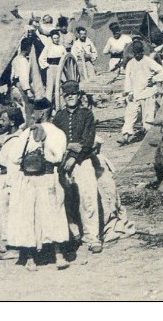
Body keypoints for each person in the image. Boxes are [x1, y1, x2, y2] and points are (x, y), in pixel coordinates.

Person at [1, 100, 71, 270]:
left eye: (35, 112)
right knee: (53, 216)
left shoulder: (27, 133)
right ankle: (58, 256)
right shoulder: (58, 133)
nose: (32, 115)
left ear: (41, 113)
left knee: (29, 217)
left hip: (30, 180)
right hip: (49, 178)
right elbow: (58, 158)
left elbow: (15, 157)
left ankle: (31, 259)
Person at [52, 80, 101, 255]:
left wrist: (74, 155)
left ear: (79, 96)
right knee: (66, 199)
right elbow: (56, 141)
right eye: (67, 95)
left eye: (73, 94)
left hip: (83, 161)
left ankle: (93, 237)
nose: (70, 97)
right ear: (64, 97)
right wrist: (67, 153)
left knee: (88, 198)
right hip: (63, 163)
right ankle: (73, 235)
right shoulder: (59, 117)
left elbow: (88, 141)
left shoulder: (87, 114)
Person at [0, 106, 25, 261]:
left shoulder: (17, 139)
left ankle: (15, 247)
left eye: (4, 120)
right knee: (2, 211)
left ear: (12, 122)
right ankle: (9, 241)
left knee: (10, 212)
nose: (1, 123)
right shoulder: (8, 137)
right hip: (3, 179)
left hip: (10, 178)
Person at [92, 140, 136, 244]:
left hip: (104, 183)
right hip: (99, 183)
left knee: (109, 203)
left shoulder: (100, 159)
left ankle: (110, 229)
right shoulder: (95, 160)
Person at [119, 40, 163, 145]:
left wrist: (154, 79)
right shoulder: (130, 63)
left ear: (142, 52)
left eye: (139, 52)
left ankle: (149, 136)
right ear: (133, 52)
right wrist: (129, 92)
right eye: (135, 53)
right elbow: (128, 79)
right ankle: (126, 135)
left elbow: (162, 70)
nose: (137, 55)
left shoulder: (148, 61)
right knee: (130, 114)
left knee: (148, 116)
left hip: (148, 92)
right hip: (135, 93)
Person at [37, 29, 67, 109]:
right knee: (50, 87)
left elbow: (66, 57)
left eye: (57, 38)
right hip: (51, 68)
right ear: (51, 39)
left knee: (60, 85)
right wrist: (47, 65)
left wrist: (63, 66)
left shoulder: (62, 47)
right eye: (54, 38)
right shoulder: (48, 47)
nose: (56, 40)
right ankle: (48, 106)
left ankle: (61, 105)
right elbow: (41, 58)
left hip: (60, 68)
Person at [10, 37, 37, 124]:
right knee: (29, 107)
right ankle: (29, 125)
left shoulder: (15, 59)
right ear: (28, 47)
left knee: (23, 107)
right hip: (23, 86)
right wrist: (28, 91)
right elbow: (24, 77)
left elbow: (12, 75)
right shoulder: (23, 61)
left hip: (16, 84)